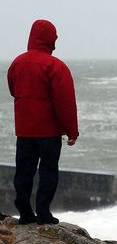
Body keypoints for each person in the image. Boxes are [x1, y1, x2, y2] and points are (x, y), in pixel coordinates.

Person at [7, 19, 78, 225]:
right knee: (48, 171)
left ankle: (24, 212)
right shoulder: (56, 66)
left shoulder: (17, 63)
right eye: (54, 39)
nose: (55, 43)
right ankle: (43, 211)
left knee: (23, 171)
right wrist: (71, 131)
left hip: (25, 130)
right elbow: (65, 102)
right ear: (49, 40)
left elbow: (14, 91)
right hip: (48, 132)